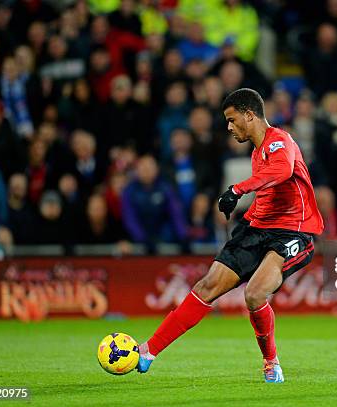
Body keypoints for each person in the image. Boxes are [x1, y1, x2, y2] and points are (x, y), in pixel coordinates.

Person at [136, 88, 324, 383]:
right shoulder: (256, 152)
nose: (228, 126)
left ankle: (271, 361)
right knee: (206, 286)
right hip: (257, 229)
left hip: (293, 233)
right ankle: (148, 351)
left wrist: (237, 190)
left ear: (250, 115)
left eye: (232, 119)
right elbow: (269, 189)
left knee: (254, 294)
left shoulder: (280, 142)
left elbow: (282, 171)